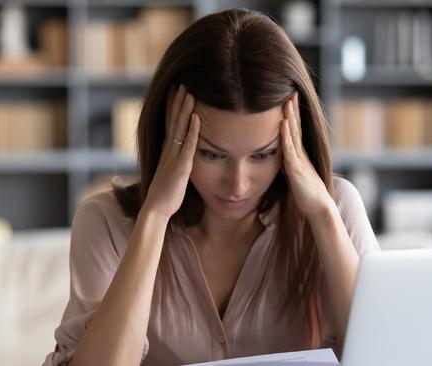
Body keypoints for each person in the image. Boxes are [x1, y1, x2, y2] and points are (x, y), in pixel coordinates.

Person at [43, 8, 379, 366]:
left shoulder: (337, 208)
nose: (238, 185)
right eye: (212, 154)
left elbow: (386, 354)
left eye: (263, 155)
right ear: (170, 137)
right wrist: (154, 217)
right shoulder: (104, 222)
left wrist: (324, 216)